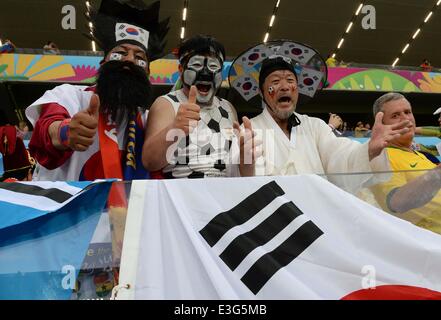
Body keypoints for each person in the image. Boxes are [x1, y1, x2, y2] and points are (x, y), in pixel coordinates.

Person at [228, 40, 412, 191]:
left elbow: (339, 153)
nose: (284, 87)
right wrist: (246, 165)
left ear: (297, 90)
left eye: (290, 81)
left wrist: (369, 149)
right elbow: (239, 184)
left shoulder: (315, 127)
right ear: (262, 93)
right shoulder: (248, 131)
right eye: (275, 82)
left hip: (318, 218)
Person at [25, 0, 169, 181]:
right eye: (120, 53)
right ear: (103, 62)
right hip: (67, 206)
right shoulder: (69, 95)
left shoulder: (150, 119)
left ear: (147, 73)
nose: (130, 60)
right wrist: (65, 132)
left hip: (129, 208)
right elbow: (45, 129)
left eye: (139, 58)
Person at [142, 35, 255, 178]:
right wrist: (174, 128)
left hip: (225, 193)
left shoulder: (228, 107)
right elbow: (149, 162)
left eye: (213, 66)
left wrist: (246, 157)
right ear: (181, 69)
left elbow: (239, 168)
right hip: (181, 194)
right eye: (196, 65)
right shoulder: (166, 104)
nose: (206, 73)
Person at [369, 92, 441, 234]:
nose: (406, 118)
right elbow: (396, 202)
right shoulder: (381, 157)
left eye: (408, 112)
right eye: (395, 115)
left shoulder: (421, 156)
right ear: (381, 124)